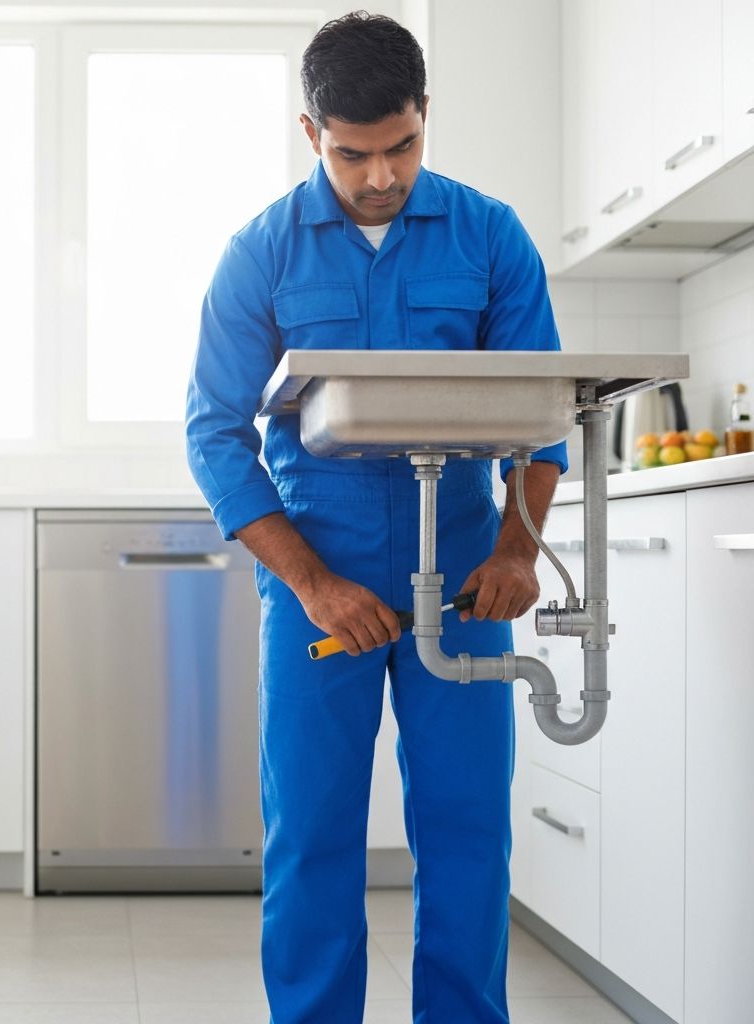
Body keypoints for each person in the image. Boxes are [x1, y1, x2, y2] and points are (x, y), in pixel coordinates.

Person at [185, 11, 568, 1023]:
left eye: (401, 145)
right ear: (311, 134)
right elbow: (213, 435)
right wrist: (309, 582)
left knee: (467, 831)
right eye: (354, 154)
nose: (381, 174)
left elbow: (545, 419)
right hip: (321, 574)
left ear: (425, 116)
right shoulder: (260, 253)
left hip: (467, 566)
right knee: (309, 835)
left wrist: (517, 549)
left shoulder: (489, 235)